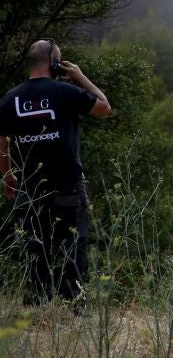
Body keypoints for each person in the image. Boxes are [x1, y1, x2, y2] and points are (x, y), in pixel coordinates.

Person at [0, 39, 111, 306]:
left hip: (31, 189)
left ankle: (37, 313)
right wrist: (81, 76)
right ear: (53, 62)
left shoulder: (10, 98)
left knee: (34, 251)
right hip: (68, 185)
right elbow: (104, 107)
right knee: (71, 250)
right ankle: (72, 310)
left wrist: (7, 175)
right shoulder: (64, 91)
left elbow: (1, 141)